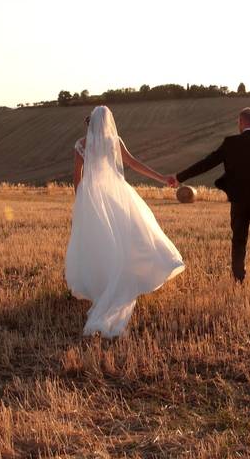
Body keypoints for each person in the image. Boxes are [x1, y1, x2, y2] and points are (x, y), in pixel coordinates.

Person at [65, 106, 183, 337]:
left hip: (93, 196)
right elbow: (134, 163)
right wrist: (162, 178)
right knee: (131, 234)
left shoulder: (81, 144)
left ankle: (103, 284)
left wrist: (80, 200)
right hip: (116, 193)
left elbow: (76, 175)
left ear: (91, 123)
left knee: (97, 242)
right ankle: (129, 274)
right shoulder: (114, 141)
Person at [173, 107, 250, 299]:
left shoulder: (230, 143)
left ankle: (238, 280)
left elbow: (206, 163)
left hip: (239, 202)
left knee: (238, 241)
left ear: (240, 123)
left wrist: (179, 177)